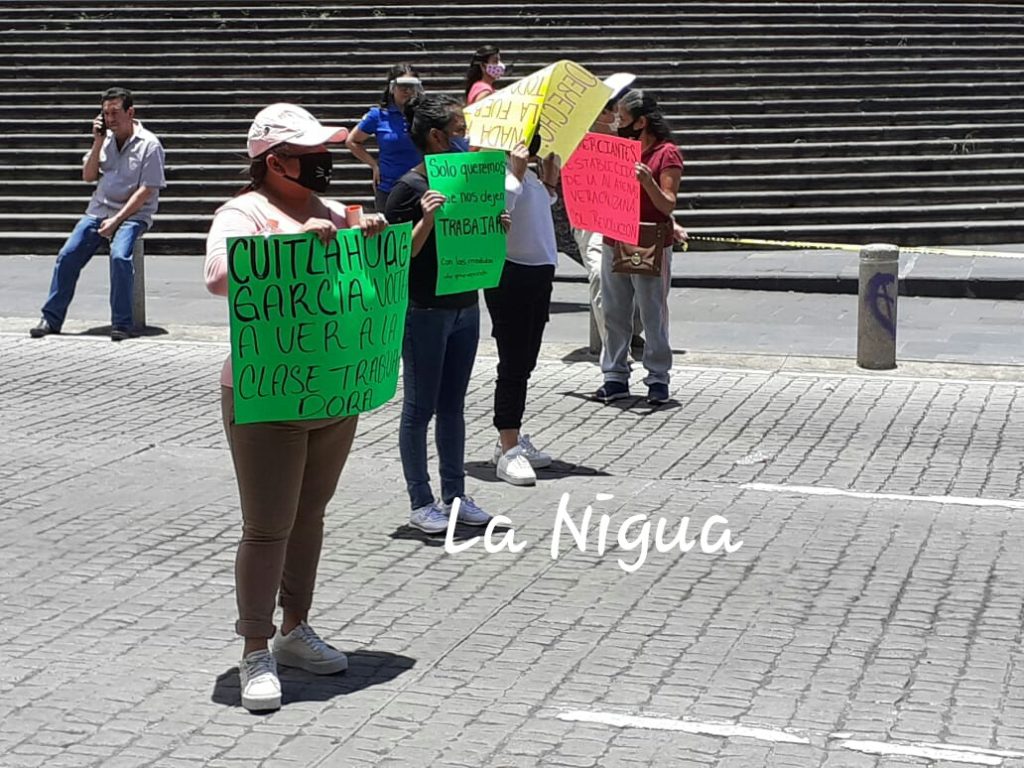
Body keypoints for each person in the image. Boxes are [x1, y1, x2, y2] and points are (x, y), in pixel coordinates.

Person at [204, 103, 387, 713]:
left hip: (333, 385)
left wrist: (380, 238)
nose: (322, 164)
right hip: (267, 391)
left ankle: (294, 630)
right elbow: (221, 276)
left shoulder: (334, 210)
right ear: (273, 162)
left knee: (310, 515)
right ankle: (255, 646)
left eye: (322, 153)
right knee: (267, 525)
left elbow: (372, 273)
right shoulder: (242, 211)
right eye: (309, 155)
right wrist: (287, 246)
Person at [384, 94, 500, 533]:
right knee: (419, 408)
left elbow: (477, 237)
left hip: (465, 307)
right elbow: (398, 257)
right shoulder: (406, 190)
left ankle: (455, 495)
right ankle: (421, 500)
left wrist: (494, 226)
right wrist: (426, 220)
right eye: (458, 131)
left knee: (452, 407)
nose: (465, 139)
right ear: (436, 136)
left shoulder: (465, 180)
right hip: (424, 312)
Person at [30, 87, 165, 341]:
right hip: (99, 210)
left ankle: (122, 323)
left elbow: (147, 190)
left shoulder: (150, 144)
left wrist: (116, 221)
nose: (110, 119)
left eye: (115, 113)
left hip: (133, 214)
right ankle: (51, 317)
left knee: (120, 257)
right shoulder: (106, 141)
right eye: (105, 113)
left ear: (130, 112)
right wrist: (98, 141)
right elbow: (89, 176)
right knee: (67, 255)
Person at [596, 89, 683, 406]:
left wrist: (648, 181)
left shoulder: (666, 154)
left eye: (622, 116)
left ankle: (658, 377)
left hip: (650, 241)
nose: (617, 121)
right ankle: (615, 376)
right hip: (614, 237)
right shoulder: (619, 149)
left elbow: (667, 205)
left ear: (641, 121)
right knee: (614, 312)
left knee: (651, 313)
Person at [486, 134, 559, 486]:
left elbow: (539, 205)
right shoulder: (497, 172)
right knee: (513, 363)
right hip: (510, 274)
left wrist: (547, 180)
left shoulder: (527, 174)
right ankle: (508, 444)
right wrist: (514, 173)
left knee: (526, 361)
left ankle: (510, 442)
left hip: (538, 274)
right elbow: (499, 210)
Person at [572, 73, 639, 352]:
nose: (616, 116)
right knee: (600, 274)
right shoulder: (577, 139)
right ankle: (614, 350)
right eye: (612, 110)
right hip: (592, 219)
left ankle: (619, 337)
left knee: (632, 279)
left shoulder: (629, 136)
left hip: (625, 215)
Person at [345, 63, 424, 213]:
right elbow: (352, 141)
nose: (407, 91)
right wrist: (374, 165)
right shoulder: (378, 116)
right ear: (392, 88)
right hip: (389, 187)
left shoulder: (424, 115)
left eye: (411, 87)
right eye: (403, 86)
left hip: (421, 187)